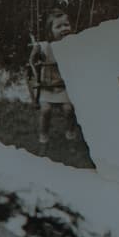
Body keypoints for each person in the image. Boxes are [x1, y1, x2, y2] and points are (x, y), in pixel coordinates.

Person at [28, 9, 77, 149]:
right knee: (45, 110)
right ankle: (43, 136)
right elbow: (31, 62)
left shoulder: (72, 45)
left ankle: (70, 134)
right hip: (46, 86)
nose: (64, 29)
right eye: (58, 26)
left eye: (66, 25)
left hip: (63, 86)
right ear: (50, 32)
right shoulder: (44, 46)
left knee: (68, 109)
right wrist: (35, 54)